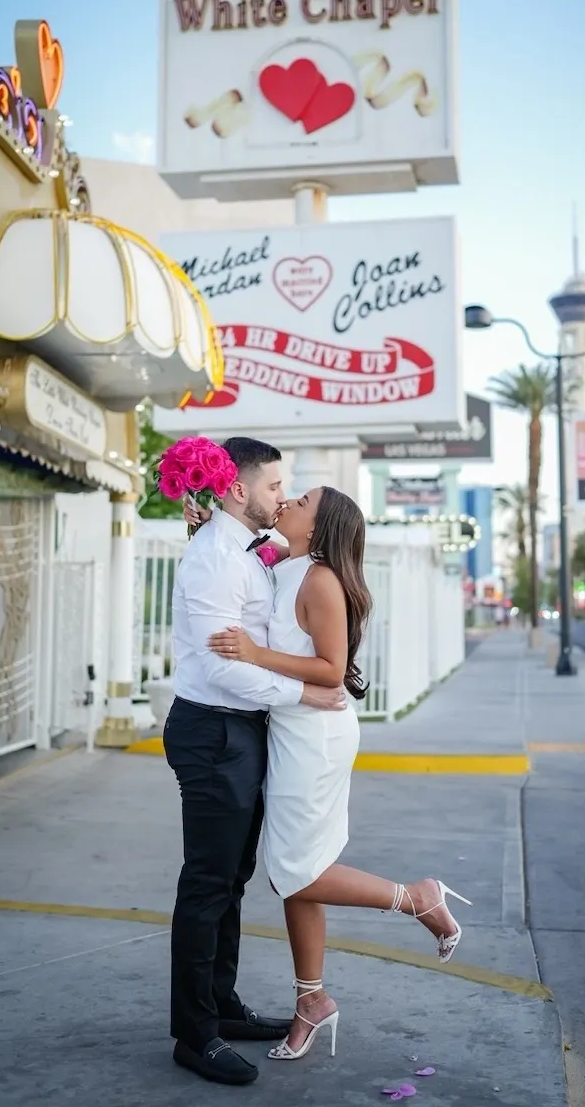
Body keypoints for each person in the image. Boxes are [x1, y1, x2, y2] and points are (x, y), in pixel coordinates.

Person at [191, 482, 471, 1066]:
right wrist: (203, 527)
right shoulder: (283, 562)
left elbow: (332, 668)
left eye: (301, 501)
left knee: (295, 871)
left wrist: (255, 653)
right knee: (299, 866)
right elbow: (234, 567)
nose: (287, 501)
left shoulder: (320, 580)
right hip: (290, 729)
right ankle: (311, 999)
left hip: (314, 737)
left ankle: (414, 898)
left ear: (317, 529)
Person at [164, 437, 350, 1088]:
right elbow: (221, 666)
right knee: (208, 883)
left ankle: (221, 1006)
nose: (283, 495)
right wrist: (304, 692)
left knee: (232, 878)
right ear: (238, 489)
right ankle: (195, 1034)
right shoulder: (217, 556)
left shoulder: (241, 549)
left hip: (240, 731)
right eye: (276, 485)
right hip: (213, 729)